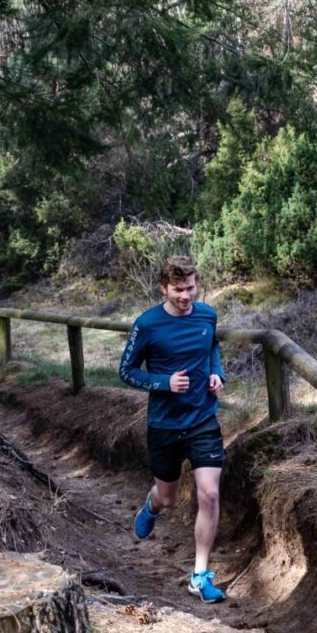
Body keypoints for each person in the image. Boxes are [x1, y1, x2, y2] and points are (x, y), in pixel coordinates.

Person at [118, 255, 228, 603]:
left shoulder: (207, 315)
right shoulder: (147, 324)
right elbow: (126, 371)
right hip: (164, 424)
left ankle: (200, 575)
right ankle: (151, 506)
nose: (186, 296)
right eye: (178, 289)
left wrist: (217, 373)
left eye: (191, 288)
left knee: (209, 493)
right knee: (168, 498)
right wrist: (164, 382)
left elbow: (212, 347)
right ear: (164, 288)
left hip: (202, 419)